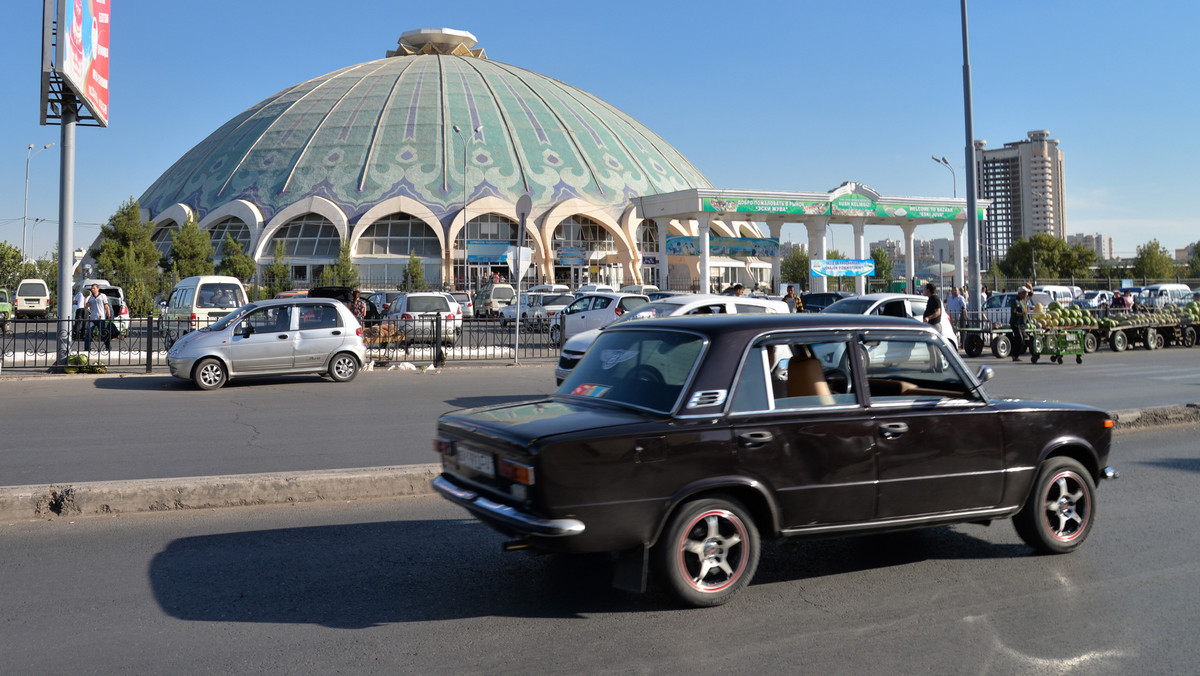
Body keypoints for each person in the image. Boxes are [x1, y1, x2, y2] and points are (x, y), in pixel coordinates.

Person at [83, 283, 112, 352]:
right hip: (93, 318)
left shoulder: (102, 296)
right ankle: (87, 348)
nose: (93, 290)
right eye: (92, 288)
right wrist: (85, 298)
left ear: (97, 289)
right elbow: (86, 307)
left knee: (103, 333)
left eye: (94, 288)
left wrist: (109, 315)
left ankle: (108, 347)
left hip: (100, 318)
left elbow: (106, 306)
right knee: (88, 333)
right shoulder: (91, 298)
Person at [1009, 286, 1030, 361]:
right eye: (1025, 293)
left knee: (1023, 339)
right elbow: (1013, 312)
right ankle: (1014, 356)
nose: (1027, 294)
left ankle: (1016, 355)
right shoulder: (1015, 301)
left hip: (1022, 323)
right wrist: (1021, 314)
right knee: (1019, 338)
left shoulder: (1024, 301)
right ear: (1021, 293)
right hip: (1015, 323)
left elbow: (1031, 295)